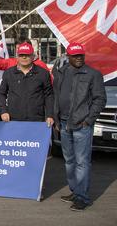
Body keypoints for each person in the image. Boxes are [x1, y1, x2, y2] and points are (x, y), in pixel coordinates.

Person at [52, 43, 106, 211]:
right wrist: (56, 119)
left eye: (81, 55)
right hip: (64, 123)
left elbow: (100, 99)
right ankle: (75, 191)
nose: (78, 58)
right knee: (69, 161)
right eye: (75, 55)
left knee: (82, 161)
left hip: (82, 124)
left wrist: (89, 120)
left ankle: (83, 197)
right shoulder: (61, 73)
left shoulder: (93, 74)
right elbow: (56, 96)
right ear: (68, 56)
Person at [0, 42, 54, 124]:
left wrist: (50, 115)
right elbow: (1, 93)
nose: (24, 57)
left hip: (37, 120)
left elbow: (49, 95)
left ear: (33, 56)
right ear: (17, 56)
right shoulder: (9, 73)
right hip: (13, 119)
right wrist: (3, 111)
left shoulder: (43, 73)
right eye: (21, 55)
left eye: (27, 55)